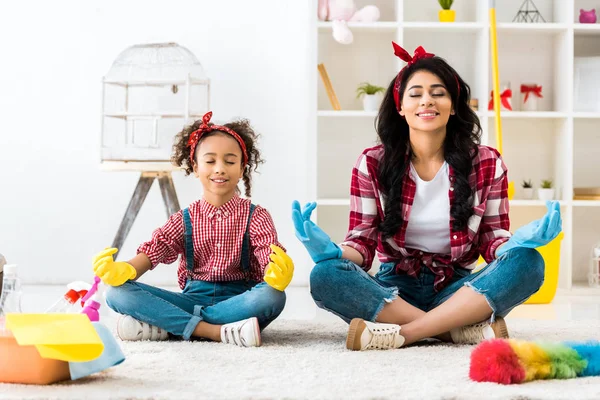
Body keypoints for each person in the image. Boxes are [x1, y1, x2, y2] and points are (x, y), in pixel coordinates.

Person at [293, 43, 562, 351]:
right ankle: (450, 330)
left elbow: (492, 240)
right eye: (416, 93)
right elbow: (362, 245)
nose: (427, 101)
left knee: (529, 263)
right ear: (400, 106)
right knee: (325, 275)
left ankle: (406, 333)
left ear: (453, 104)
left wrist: (517, 243)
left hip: (460, 289)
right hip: (394, 290)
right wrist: (332, 252)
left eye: (438, 92)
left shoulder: (487, 162)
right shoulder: (371, 163)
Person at [94, 111, 294, 347]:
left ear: (242, 169)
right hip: (190, 299)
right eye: (210, 161)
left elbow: (266, 253)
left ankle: (171, 327)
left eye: (230, 162)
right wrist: (126, 269)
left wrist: (277, 270)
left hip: (239, 301)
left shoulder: (256, 216)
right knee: (116, 293)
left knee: (273, 296)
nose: (219, 169)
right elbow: (154, 251)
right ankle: (215, 331)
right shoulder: (184, 219)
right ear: (195, 167)